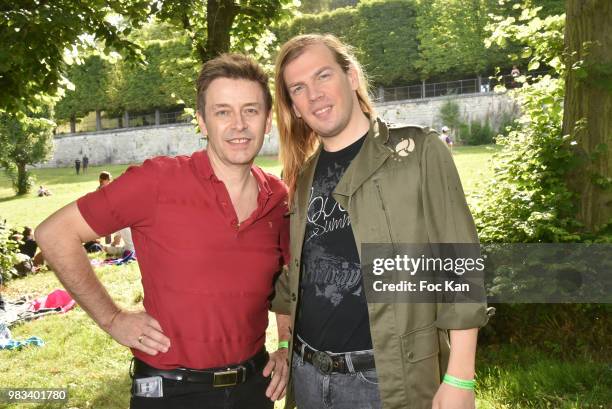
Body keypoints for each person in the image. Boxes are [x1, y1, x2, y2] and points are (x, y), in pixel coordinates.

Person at [37, 53, 291, 409]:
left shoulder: (278, 199)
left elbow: (287, 283)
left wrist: (284, 344)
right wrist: (112, 318)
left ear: (267, 121)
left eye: (250, 110)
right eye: (222, 112)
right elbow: (54, 233)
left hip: (253, 389)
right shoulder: (156, 181)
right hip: (171, 392)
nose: (239, 125)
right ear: (202, 122)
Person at [271, 34, 490, 409]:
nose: (315, 94)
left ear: (351, 76)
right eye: (299, 88)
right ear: (293, 105)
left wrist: (459, 377)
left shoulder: (418, 153)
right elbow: (297, 277)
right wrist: (284, 347)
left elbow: (460, 266)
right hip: (307, 379)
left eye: (323, 76)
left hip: (383, 384)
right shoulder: (304, 176)